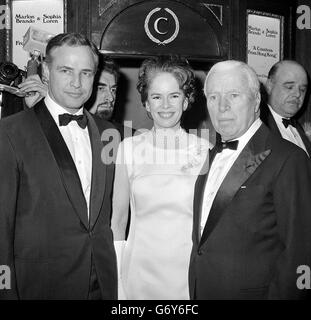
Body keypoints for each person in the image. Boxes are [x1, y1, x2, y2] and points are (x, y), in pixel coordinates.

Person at [0, 33, 117, 300]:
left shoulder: (111, 134)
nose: (77, 83)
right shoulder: (9, 133)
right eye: (66, 71)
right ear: (45, 71)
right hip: (39, 287)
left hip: (104, 285)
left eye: (86, 73)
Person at [189, 60, 311, 300]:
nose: (221, 107)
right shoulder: (211, 155)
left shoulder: (289, 159)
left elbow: (300, 252)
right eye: (213, 97)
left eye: (233, 95)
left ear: (256, 101)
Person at [111, 56, 210, 300]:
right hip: (138, 275)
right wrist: (117, 281)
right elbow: (118, 221)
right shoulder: (128, 148)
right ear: (146, 103)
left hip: (187, 277)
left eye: (174, 96)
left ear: (186, 101)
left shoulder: (205, 151)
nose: (165, 105)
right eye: (156, 96)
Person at [261, 60, 311, 156]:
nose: (297, 94)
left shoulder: (300, 129)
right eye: (289, 87)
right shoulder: (257, 126)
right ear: (269, 86)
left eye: (302, 89)